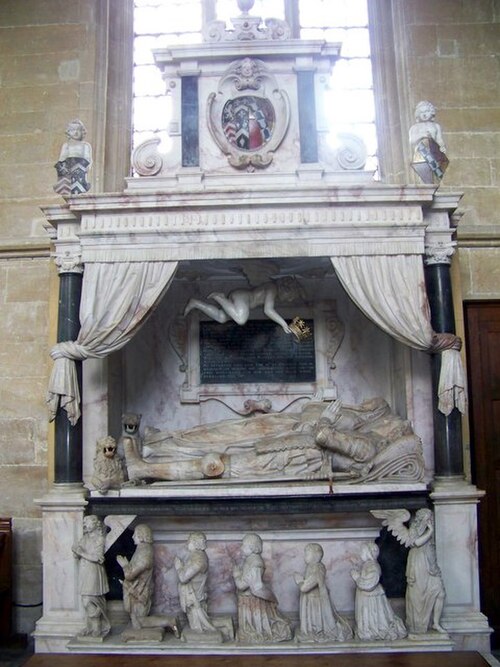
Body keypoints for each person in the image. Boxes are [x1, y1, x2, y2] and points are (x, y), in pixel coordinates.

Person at [183, 277, 301, 335]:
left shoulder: (273, 290)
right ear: (286, 289)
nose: (289, 300)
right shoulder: (272, 288)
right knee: (240, 319)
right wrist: (284, 324)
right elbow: (268, 310)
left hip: (242, 300)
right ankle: (219, 297)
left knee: (221, 317)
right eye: (290, 296)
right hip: (242, 297)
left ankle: (195, 303)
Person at [233, 533, 292, 643]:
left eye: (244, 545)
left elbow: (243, 585)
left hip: (252, 601)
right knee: (251, 626)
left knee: (256, 627)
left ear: (253, 548)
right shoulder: (251, 560)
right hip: (248, 599)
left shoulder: (255, 563)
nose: (241, 548)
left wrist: (236, 575)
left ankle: (258, 634)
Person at [294, 543, 352, 642]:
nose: (304, 557)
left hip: (315, 600)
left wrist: (299, 581)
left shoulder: (318, 568)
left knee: (316, 619)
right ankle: (311, 631)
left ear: (315, 556)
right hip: (310, 598)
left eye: (307, 554)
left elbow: (305, 587)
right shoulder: (311, 566)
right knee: (311, 619)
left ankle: (316, 632)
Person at [351, 542, 407, 641]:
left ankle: (372, 630)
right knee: (366, 615)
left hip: (371, 597)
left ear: (369, 553)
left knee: (372, 615)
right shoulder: (367, 565)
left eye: (362, 552)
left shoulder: (373, 566)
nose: (360, 554)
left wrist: (357, 578)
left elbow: (370, 583)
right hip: (366, 596)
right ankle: (367, 629)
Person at [405, 509, 446, 635]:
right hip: (418, 563)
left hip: (431, 565)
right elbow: (416, 543)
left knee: (440, 592)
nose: (430, 521)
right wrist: (430, 531)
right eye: (427, 518)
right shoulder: (414, 528)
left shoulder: (431, 529)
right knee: (418, 595)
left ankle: (436, 623)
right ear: (421, 519)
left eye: (431, 518)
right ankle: (418, 624)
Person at [72, 515, 111, 639]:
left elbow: (97, 558)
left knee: (90, 599)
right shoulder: (84, 538)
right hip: (84, 571)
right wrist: (75, 551)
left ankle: (97, 627)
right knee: (85, 599)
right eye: (84, 523)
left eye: (87, 522)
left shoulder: (99, 539)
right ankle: (91, 626)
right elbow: (77, 555)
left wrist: (81, 552)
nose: (85, 525)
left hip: (94, 571)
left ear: (95, 524)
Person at [174, 532, 219, 635]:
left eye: (189, 541)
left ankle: (224, 625)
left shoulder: (199, 559)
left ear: (195, 543)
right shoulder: (195, 556)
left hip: (194, 597)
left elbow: (183, 578)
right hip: (193, 596)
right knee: (198, 623)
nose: (187, 544)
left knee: (200, 626)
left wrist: (178, 567)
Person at [117, 524, 154, 629]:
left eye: (135, 534)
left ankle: (169, 622)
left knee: (140, 621)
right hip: (137, 591)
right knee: (136, 621)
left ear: (142, 536)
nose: (133, 537)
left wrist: (124, 566)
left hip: (140, 592)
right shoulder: (142, 549)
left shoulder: (144, 553)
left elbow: (129, 575)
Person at [54, 119, 92, 194]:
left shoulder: (85, 145)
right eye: (73, 130)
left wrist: (87, 167)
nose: (76, 132)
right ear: (68, 132)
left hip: (80, 173)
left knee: (78, 187)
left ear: (82, 132)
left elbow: (88, 160)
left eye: (78, 130)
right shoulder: (66, 145)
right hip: (69, 172)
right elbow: (61, 160)